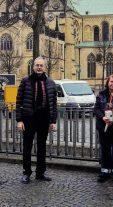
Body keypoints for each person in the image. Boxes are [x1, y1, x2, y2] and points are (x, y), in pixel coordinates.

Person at [16, 56, 57, 184]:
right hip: (29, 119)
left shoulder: (50, 83)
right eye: (37, 65)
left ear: (44, 67)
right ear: (33, 66)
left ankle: (40, 173)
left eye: (41, 65)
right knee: (27, 147)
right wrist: (19, 120)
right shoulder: (25, 81)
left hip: (44, 119)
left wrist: (53, 121)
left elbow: (54, 103)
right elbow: (19, 102)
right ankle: (26, 173)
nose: (39, 67)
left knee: (41, 147)